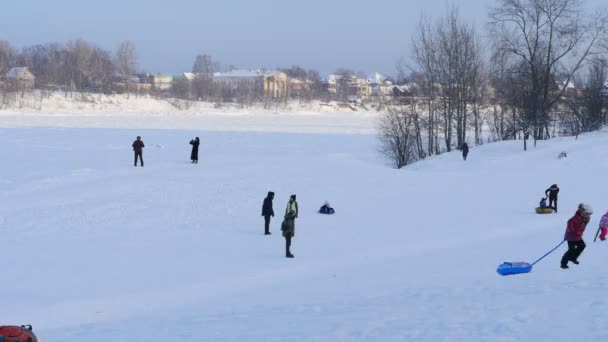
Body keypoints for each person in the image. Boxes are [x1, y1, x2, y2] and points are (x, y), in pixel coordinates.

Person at [560, 203, 593, 269]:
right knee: (571, 250)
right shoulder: (574, 219)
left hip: (578, 236)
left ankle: (573, 258)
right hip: (571, 237)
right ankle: (563, 264)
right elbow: (570, 225)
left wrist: (586, 220)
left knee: (582, 246)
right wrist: (571, 232)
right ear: (582, 212)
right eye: (587, 214)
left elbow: (583, 226)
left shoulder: (584, 218)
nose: (588, 216)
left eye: (589, 214)